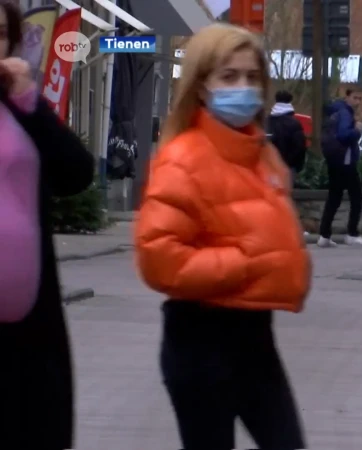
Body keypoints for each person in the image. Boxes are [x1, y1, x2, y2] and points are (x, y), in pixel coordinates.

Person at [134, 24, 309, 450]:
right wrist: (244, 264)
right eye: (228, 77)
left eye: (252, 78)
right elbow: (160, 258)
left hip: (254, 339)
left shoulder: (259, 155)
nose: (243, 88)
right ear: (201, 86)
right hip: (200, 341)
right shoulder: (182, 159)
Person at [0, 2, 95, 448]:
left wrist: (29, 102)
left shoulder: (20, 107)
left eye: (1, 34)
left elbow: (76, 173)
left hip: (30, 323)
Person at [317, 88, 362, 247]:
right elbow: (343, 135)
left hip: (334, 159)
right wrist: (357, 130)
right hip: (346, 161)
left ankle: (324, 235)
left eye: (360, 98)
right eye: (355, 98)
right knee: (357, 197)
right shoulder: (345, 113)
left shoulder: (334, 111)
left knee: (334, 197)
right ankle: (352, 233)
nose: (358, 102)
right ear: (347, 97)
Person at [268, 90, 307, 179]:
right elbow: (300, 146)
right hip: (289, 166)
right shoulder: (295, 123)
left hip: (269, 166)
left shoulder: (267, 121)